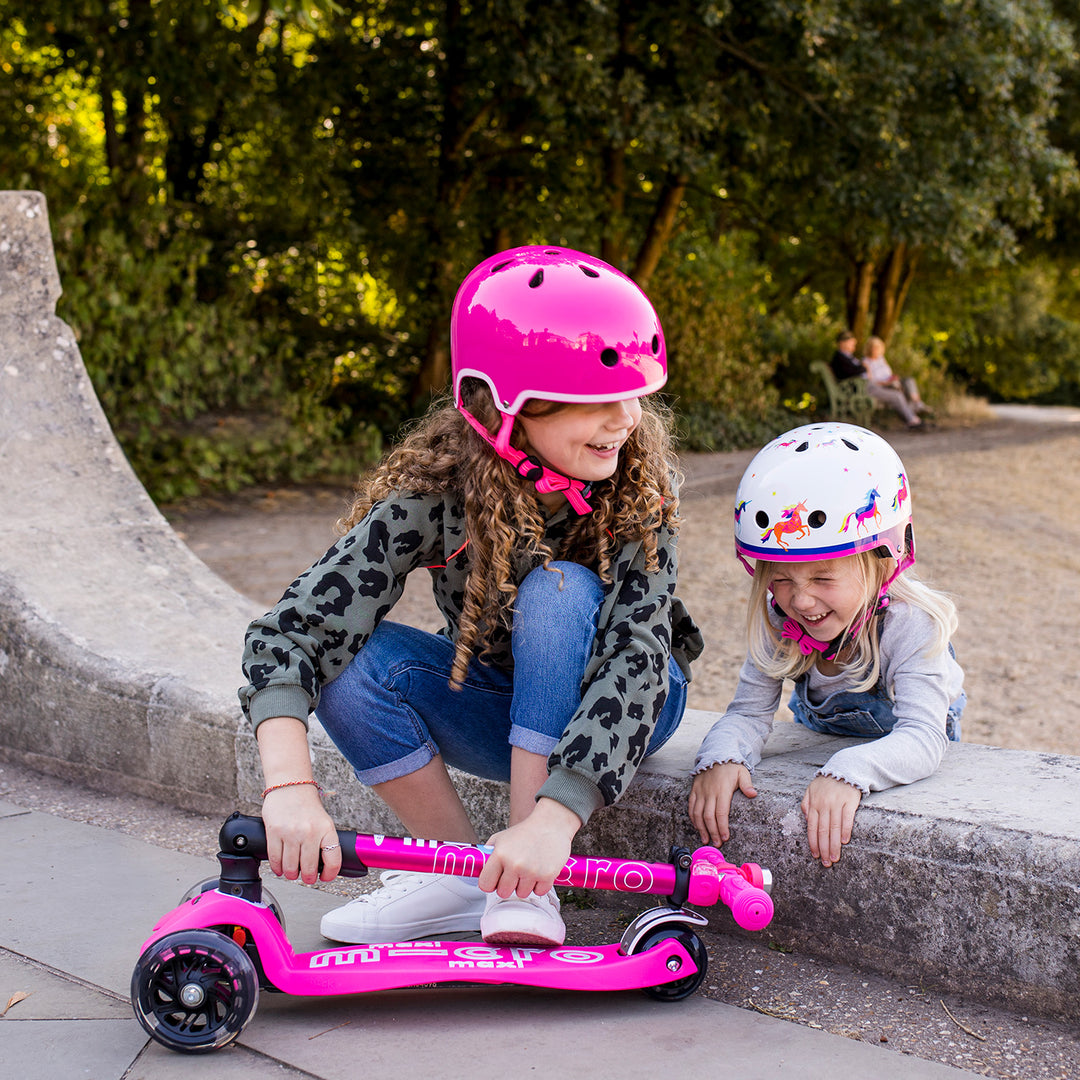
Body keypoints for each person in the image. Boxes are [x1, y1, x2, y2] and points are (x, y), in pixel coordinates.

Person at [241, 245, 702, 948]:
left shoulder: (638, 488)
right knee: (350, 660)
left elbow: (638, 659)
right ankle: (461, 878)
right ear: (505, 406)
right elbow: (292, 630)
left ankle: (530, 877)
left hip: (629, 708)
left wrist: (551, 823)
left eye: (634, 394)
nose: (628, 418)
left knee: (556, 589)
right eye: (598, 399)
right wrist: (289, 789)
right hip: (501, 705)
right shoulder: (437, 495)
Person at [689, 422, 964, 868]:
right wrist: (720, 756)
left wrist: (848, 773)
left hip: (908, 732)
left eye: (823, 578)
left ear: (883, 559)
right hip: (828, 733)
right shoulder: (781, 619)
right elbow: (747, 714)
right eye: (779, 579)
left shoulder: (911, 626)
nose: (800, 600)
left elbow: (923, 737)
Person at [829, 330, 923, 428]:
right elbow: (851, 372)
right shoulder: (839, 358)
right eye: (851, 342)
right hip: (862, 388)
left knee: (903, 385)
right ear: (842, 343)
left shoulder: (848, 357)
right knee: (896, 395)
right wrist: (864, 368)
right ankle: (913, 420)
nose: (854, 344)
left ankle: (915, 413)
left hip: (866, 385)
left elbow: (859, 369)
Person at [862, 335, 931, 417]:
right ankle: (914, 411)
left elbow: (888, 373)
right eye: (875, 347)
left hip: (890, 382)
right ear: (869, 348)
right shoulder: (866, 362)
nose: (877, 350)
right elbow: (870, 381)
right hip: (881, 386)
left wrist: (892, 378)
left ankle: (917, 403)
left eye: (879, 347)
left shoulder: (881, 359)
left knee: (909, 381)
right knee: (898, 390)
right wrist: (886, 383)